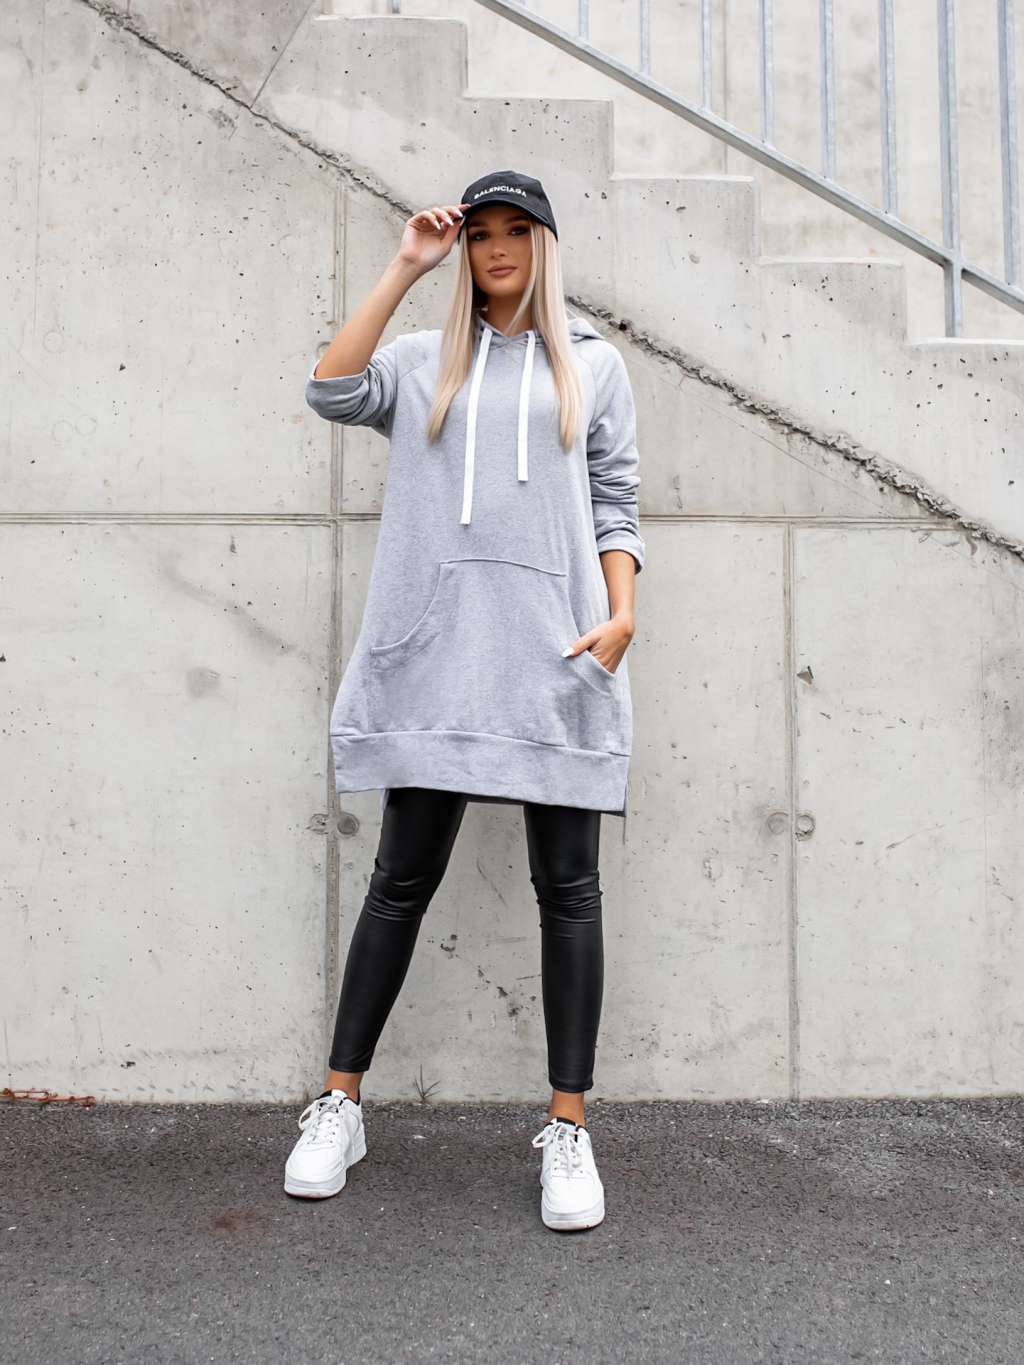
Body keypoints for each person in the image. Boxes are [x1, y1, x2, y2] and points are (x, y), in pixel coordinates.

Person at [284, 170, 645, 1232]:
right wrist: (407, 264)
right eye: (479, 232)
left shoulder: (594, 365)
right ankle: (340, 1105)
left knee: (568, 890)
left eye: (514, 231)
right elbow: (329, 390)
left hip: (557, 656)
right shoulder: (417, 360)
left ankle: (568, 1127)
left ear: (544, 245)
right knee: (399, 880)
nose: (494, 249)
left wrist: (622, 615)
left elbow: (616, 501)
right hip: (438, 658)